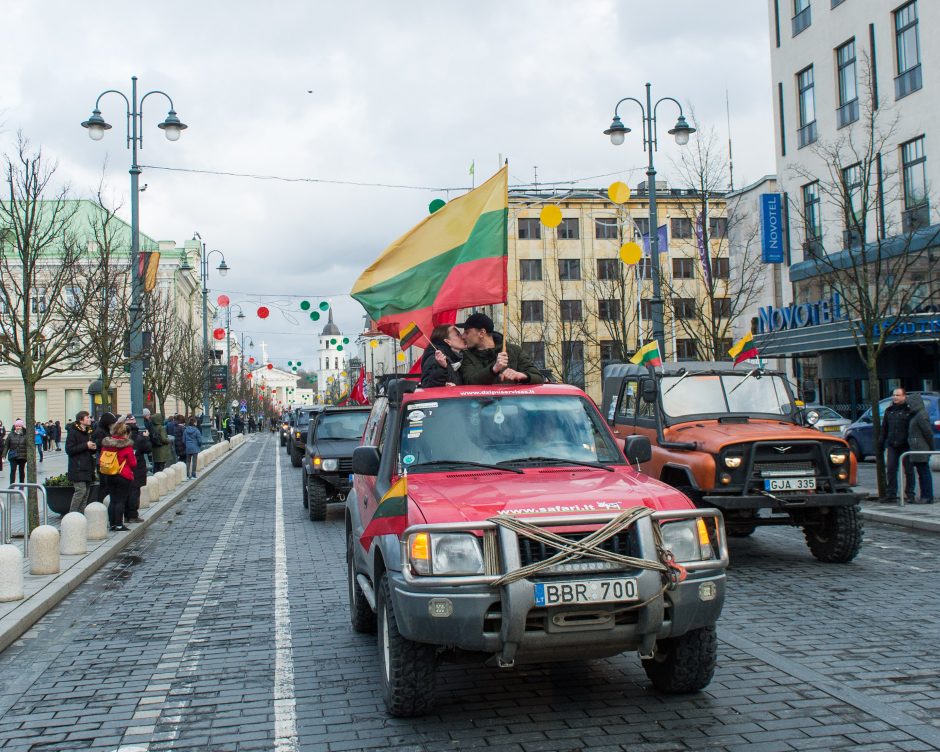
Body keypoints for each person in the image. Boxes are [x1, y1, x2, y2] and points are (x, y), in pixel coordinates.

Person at [457, 312, 544, 386]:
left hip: (510, 404)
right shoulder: (466, 355)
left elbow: (538, 377)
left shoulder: (514, 350)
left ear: (481, 333)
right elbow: (470, 381)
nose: (463, 336)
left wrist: (522, 376)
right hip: (480, 405)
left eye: (467, 332)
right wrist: (494, 369)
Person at [100, 419, 136, 532]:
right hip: (123, 475)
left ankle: (112, 524)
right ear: (125, 433)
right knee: (121, 500)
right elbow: (133, 463)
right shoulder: (127, 446)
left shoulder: (106, 445)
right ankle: (119, 524)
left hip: (109, 474)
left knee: (113, 500)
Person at [881, 388, 915, 502]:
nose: (895, 397)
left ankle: (910, 494)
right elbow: (884, 428)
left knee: (909, 471)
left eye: (898, 395)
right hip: (892, 444)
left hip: (906, 445)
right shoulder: (889, 410)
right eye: (894, 395)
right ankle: (891, 494)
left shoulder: (909, 410)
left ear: (904, 396)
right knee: (891, 469)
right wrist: (882, 441)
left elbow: (913, 428)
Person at [66, 411, 97, 513]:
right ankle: (72, 516)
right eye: (87, 417)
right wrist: (85, 445)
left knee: (86, 492)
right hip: (77, 467)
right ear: (81, 420)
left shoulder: (88, 432)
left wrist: (93, 447)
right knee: (80, 491)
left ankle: (81, 516)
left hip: (87, 466)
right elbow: (69, 450)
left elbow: (89, 448)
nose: (90, 419)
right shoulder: (73, 432)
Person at [907, 393, 934, 504]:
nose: (908, 406)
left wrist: (930, 448)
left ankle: (927, 496)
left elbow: (928, 432)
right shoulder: (916, 414)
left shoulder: (921, 415)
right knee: (921, 472)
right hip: (917, 448)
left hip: (921, 448)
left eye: (909, 404)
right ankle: (925, 495)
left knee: (924, 473)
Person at [125, 414, 151, 523]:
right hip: (137, 468)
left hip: (125, 468)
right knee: (134, 492)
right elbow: (147, 449)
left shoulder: (123, 435)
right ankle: (133, 515)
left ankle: (126, 515)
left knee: (127, 492)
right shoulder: (138, 437)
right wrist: (146, 437)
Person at [5, 419, 29, 484]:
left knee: (21, 471)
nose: (18, 427)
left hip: (22, 456)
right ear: (15, 426)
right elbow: (6, 445)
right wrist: (3, 456)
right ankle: (12, 485)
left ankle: (21, 485)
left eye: (19, 426)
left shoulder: (26, 435)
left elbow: (28, 446)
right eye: (17, 426)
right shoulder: (10, 435)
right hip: (13, 456)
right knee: (13, 470)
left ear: (22, 427)